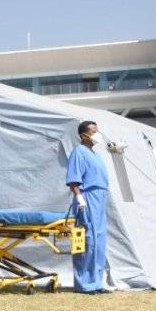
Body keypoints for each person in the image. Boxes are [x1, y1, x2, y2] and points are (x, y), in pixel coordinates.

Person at [66, 120, 110, 294]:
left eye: (97, 130)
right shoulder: (79, 152)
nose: (97, 134)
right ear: (84, 135)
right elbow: (73, 178)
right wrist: (79, 197)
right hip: (87, 197)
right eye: (93, 131)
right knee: (87, 240)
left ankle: (97, 282)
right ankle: (84, 283)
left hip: (100, 198)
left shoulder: (95, 154)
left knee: (99, 241)